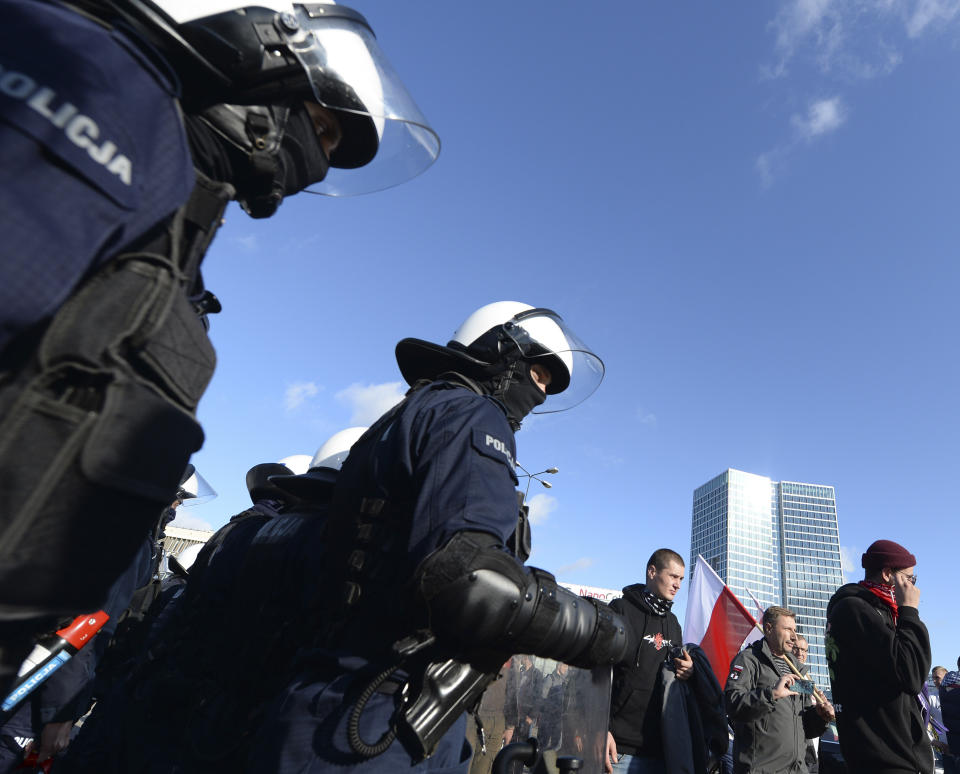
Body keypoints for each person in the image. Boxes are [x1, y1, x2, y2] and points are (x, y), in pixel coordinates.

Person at [0, 0, 439, 688]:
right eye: (319, 128)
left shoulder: (174, 205)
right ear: (247, 47)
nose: (315, 166)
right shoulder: (98, 83)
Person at [243, 301, 638, 773]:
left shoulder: (411, 413)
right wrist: (598, 630)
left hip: (347, 703)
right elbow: (469, 577)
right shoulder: (468, 414)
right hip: (377, 714)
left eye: (550, 384)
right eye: (538, 371)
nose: (541, 389)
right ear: (499, 351)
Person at [59, 431, 363, 774]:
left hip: (160, 689)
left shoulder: (242, 529)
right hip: (206, 711)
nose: (178, 506)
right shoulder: (308, 541)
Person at [825, 539, 932, 774]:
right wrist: (910, 612)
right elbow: (911, 674)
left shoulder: (879, 611)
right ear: (887, 574)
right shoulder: (855, 609)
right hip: (884, 756)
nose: (914, 587)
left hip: (897, 753)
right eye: (910, 579)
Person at [604, 548, 693, 774]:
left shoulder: (673, 623)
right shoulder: (620, 609)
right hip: (618, 750)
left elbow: (673, 681)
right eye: (673, 577)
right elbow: (597, 672)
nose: (678, 585)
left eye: (681, 579)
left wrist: (687, 671)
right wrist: (600, 730)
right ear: (652, 572)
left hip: (661, 752)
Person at [725, 606, 833, 774]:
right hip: (761, 769)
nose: (794, 636)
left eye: (795, 630)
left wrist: (820, 717)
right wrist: (771, 694)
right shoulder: (749, 659)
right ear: (768, 628)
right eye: (788, 629)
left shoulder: (799, 671)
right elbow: (732, 704)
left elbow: (807, 728)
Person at [792, 635, 820, 773]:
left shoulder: (807, 677)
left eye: (804, 650)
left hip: (813, 751)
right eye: (796, 648)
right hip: (798, 750)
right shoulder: (787, 674)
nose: (800, 653)